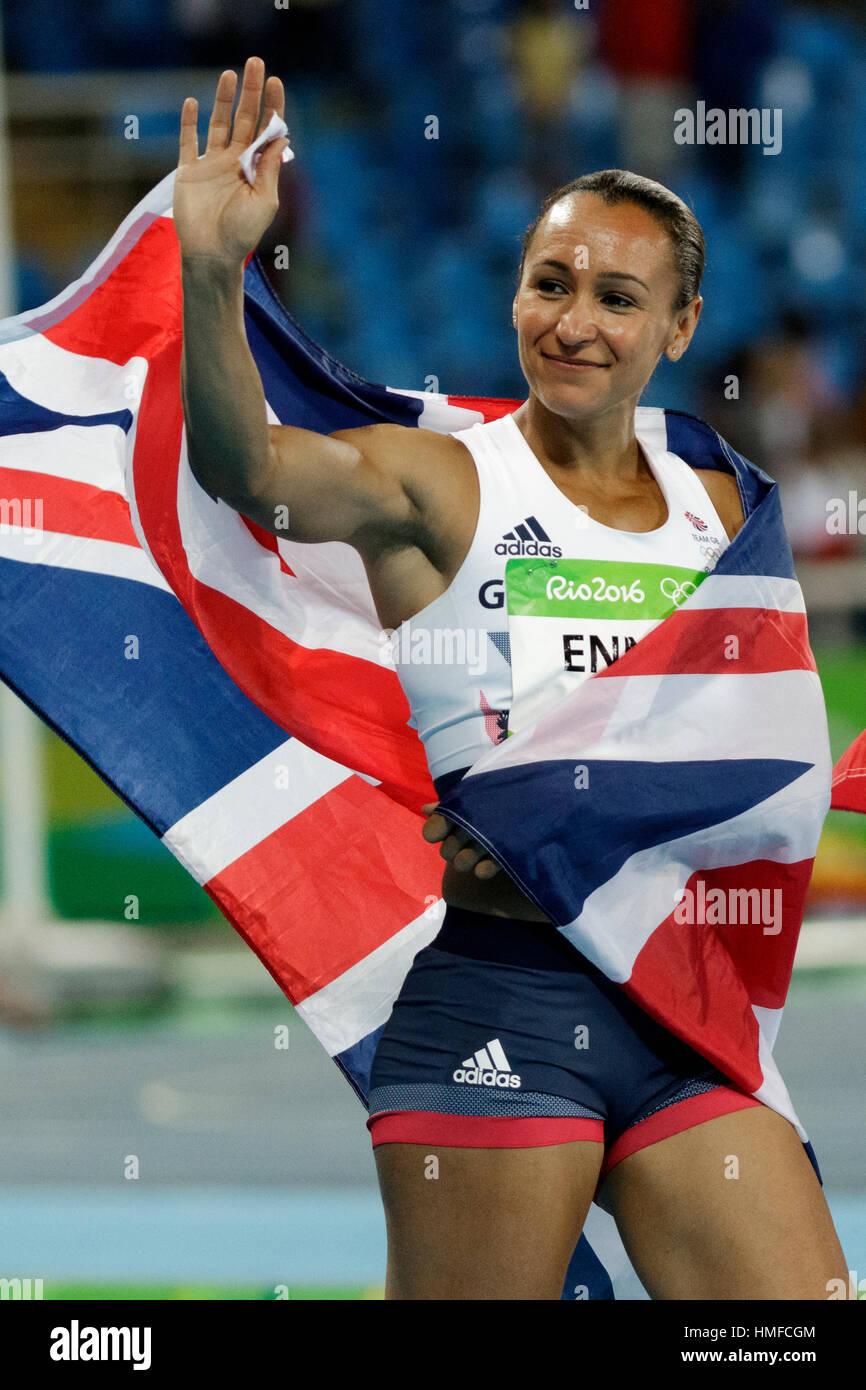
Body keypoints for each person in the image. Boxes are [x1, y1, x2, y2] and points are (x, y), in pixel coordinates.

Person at [174, 56, 848, 1300]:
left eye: (615, 296)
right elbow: (246, 469)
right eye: (549, 283)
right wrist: (214, 270)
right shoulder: (437, 484)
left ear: (678, 327)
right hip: (504, 998)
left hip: (684, 1008)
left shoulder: (720, 513)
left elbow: (755, 738)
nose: (573, 320)